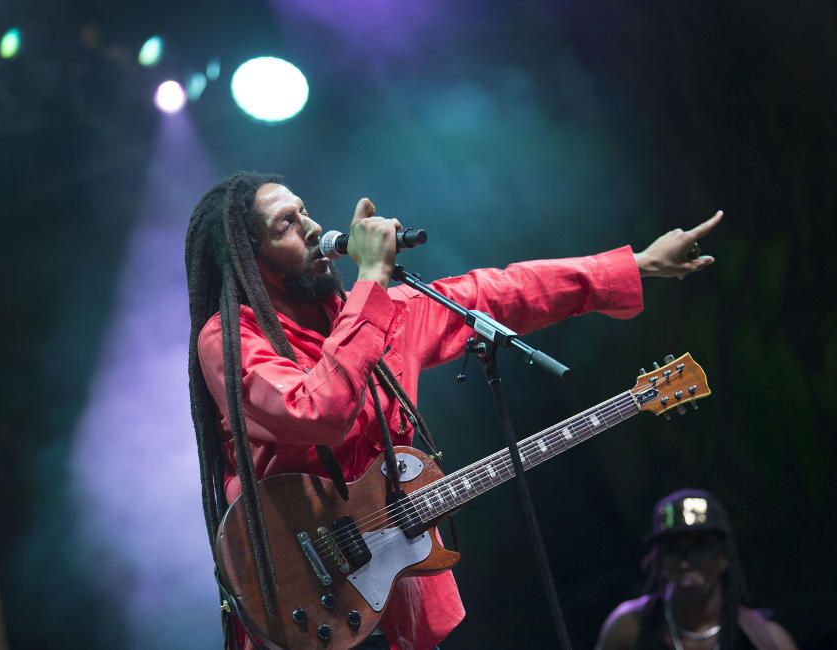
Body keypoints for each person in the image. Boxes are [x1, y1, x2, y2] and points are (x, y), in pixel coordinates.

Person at [185, 170, 721, 650]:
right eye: (284, 224)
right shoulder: (232, 339)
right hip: (303, 610)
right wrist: (370, 279)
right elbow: (317, 411)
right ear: (247, 259)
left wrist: (636, 266)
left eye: (304, 211)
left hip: (395, 604)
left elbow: (498, 294)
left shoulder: (379, 317)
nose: (309, 226)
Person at [595, 489, 798, 650]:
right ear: (660, 560)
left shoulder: (765, 638)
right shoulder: (629, 627)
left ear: (723, 556)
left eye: (698, 547)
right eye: (672, 549)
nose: (685, 561)